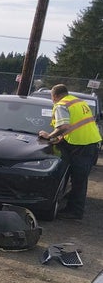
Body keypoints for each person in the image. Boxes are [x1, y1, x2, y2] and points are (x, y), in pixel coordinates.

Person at [38, 84, 102, 220]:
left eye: (52, 97)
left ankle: (75, 211)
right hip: (90, 142)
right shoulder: (78, 102)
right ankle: (74, 208)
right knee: (80, 178)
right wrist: (60, 138)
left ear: (55, 95)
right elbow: (74, 125)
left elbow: (64, 126)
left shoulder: (62, 105)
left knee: (78, 179)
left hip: (79, 144)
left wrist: (49, 136)